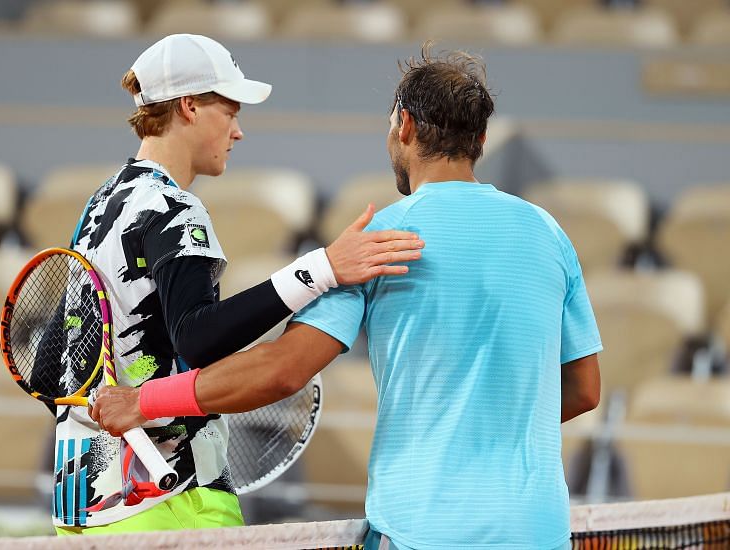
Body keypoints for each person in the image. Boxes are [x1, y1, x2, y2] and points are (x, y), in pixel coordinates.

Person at [92, 43, 602, 549]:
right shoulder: (548, 233)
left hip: (421, 532)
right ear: (481, 138)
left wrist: (145, 400)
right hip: (540, 532)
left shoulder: (380, 240)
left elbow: (283, 371)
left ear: (404, 126)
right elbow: (584, 390)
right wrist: (493, 416)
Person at [54, 33, 424, 535]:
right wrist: (322, 269)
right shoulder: (175, 208)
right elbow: (199, 338)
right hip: (173, 506)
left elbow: (56, 355)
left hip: (84, 512)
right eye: (230, 113)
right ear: (188, 107)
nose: (238, 132)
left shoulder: (99, 207)